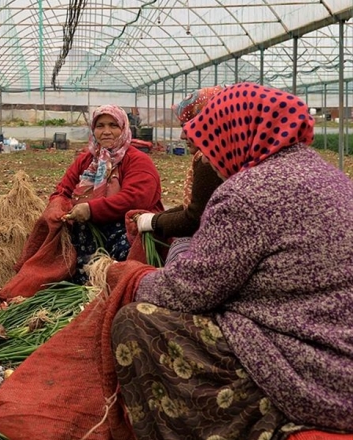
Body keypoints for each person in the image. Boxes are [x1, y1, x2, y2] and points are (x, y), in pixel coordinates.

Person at [111, 83, 353, 438]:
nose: (208, 157)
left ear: (234, 133)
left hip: (312, 370)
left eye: (210, 143)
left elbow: (190, 291)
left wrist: (130, 277)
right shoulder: (330, 175)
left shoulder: (248, 193)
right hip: (338, 346)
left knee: (136, 321)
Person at [0, 105, 162, 300]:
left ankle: (116, 285)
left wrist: (91, 209)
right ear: (93, 130)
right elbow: (62, 190)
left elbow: (136, 198)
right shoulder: (87, 160)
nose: (106, 131)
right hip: (88, 228)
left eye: (113, 125)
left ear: (124, 128)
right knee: (66, 250)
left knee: (123, 262)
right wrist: (58, 206)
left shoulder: (137, 160)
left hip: (125, 227)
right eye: (100, 126)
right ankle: (82, 284)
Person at [132, 86, 225, 263]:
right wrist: (157, 218)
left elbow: (194, 219)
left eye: (188, 126)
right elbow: (195, 206)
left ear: (208, 123)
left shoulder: (209, 162)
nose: (182, 136)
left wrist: (153, 222)